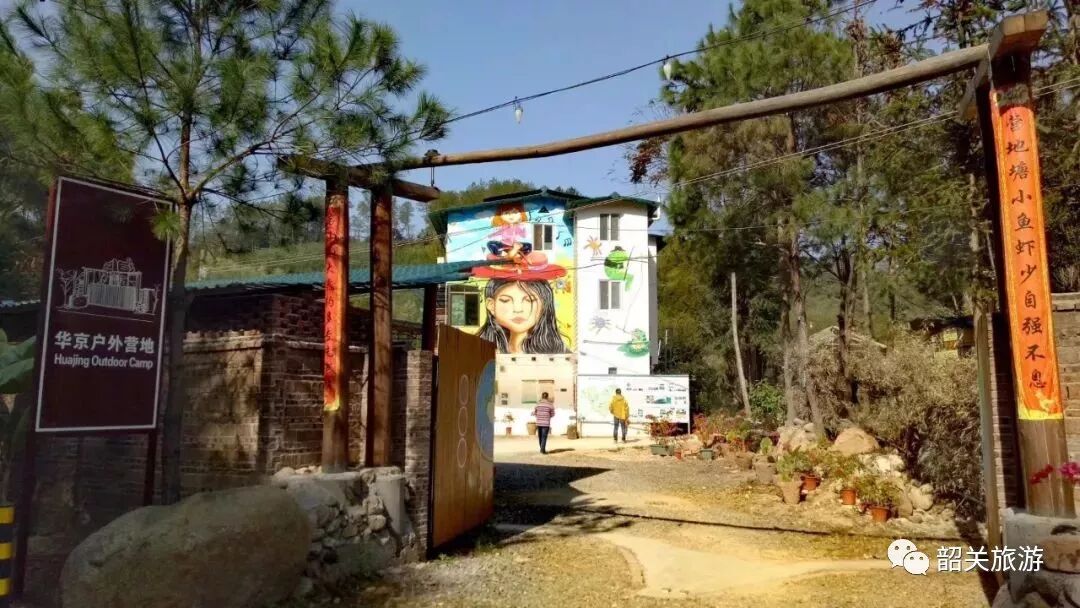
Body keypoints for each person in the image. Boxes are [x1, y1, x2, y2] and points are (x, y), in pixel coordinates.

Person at [476, 278, 569, 354]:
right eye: (506, 300)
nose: (518, 309)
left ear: (544, 305)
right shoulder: (479, 352)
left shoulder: (560, 355)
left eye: (529, 300)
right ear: (491, 305)